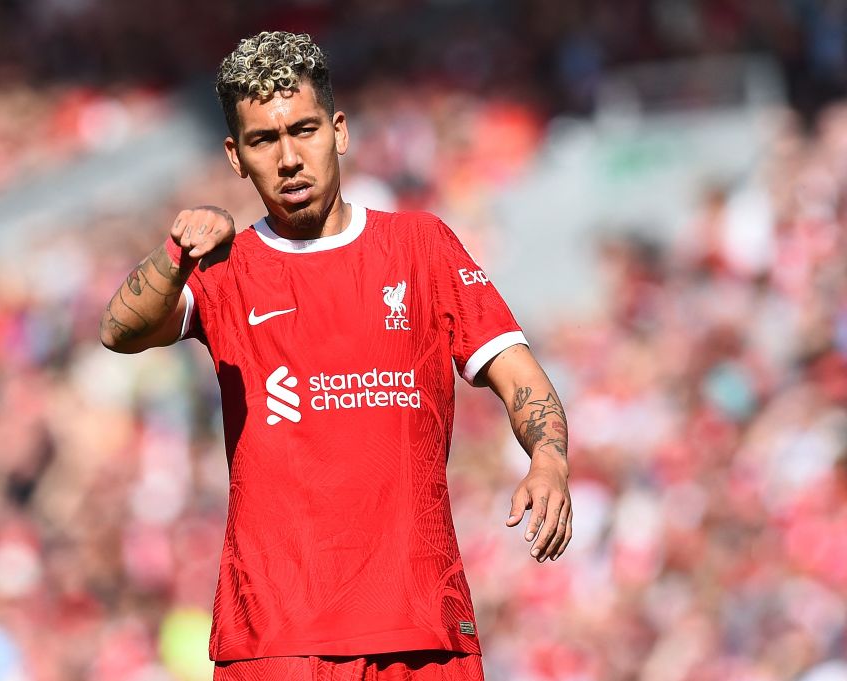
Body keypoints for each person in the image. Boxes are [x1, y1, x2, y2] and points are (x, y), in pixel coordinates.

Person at [100, 30, 572, 681]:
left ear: (339, 130)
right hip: (278, 634)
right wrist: (176, 253)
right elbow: (119, 329)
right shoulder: (225, 267)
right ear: (236, 157)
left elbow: (518, 371)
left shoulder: (422, 245)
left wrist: (548, 458)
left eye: (305, 130)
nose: (290, 157)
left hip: (423, 622)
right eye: (265, 140)